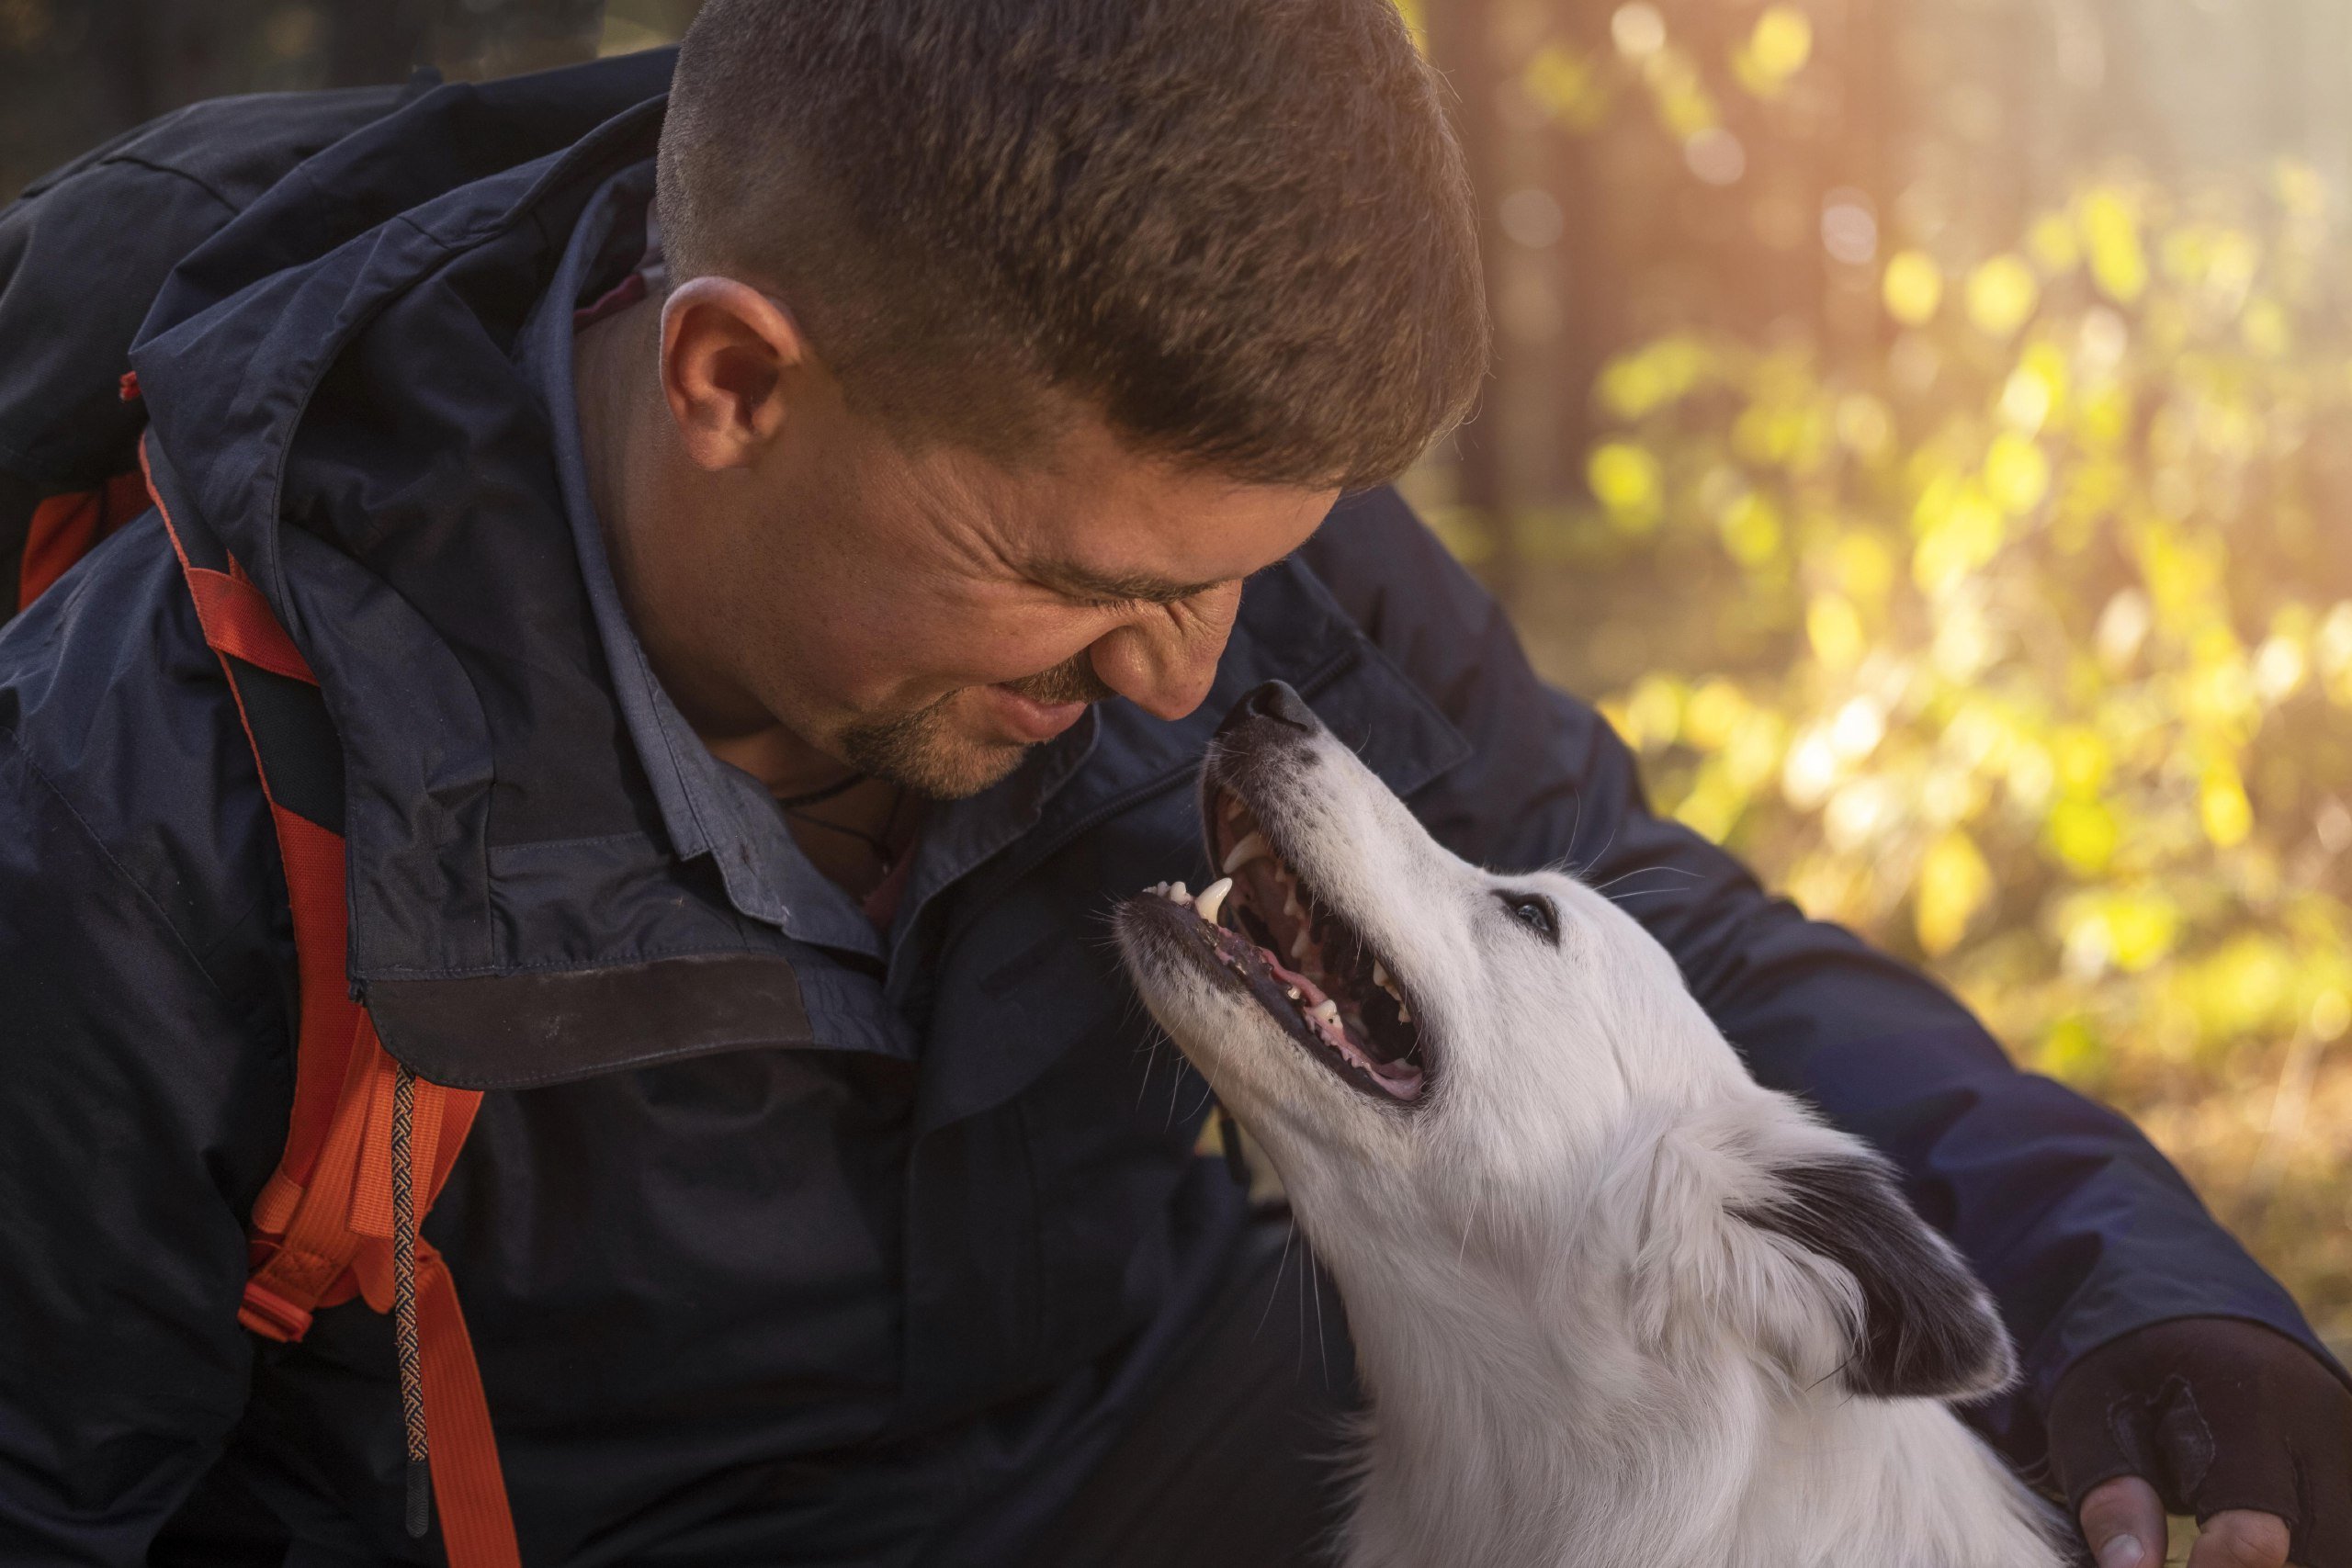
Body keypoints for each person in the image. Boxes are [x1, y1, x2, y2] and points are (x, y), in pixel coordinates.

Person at [0, 4, 2342, 1565]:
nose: (1193, 671)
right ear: (730, 376)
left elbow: (1640, 931)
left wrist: (2122, 1272)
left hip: (1215, 1467)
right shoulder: (139, 811)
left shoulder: (1182, 503)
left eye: (1254, 573)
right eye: (1081, 586)